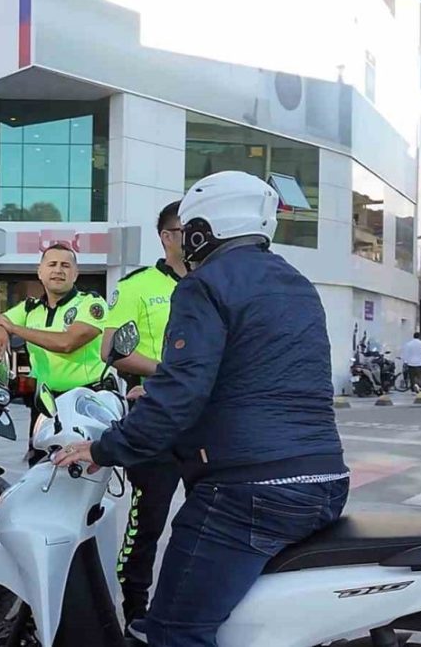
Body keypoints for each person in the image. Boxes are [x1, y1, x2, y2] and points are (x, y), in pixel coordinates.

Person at [55, 171, 348, 646]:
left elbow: (179, 396)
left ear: (200, 232)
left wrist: (105, 449)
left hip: (249, 493)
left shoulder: (203, 285)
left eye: (187, 229)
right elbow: (256, 375)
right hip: (325, 484)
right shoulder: (297, 284)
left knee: (171, 630)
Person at [100, 200, 187, 627]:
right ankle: (135, 609)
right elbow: (111, 350)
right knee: (148, 520)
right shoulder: (138, 286)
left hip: (211, 425)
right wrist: (172, 372)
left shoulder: (216, 283)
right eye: (185, 230)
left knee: (207, 521)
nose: (194, 238)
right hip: (156, 419)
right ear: (166, 236)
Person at [0, 243, 108, 467]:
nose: (58, 270)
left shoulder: (91, 303)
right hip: (45, 404)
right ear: (40, 272)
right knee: (39, 470)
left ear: (75, 274)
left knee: (80, 475)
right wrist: (0, 328)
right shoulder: (30, 308)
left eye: (65, 265)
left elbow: (67, 343)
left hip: (84, 402)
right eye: (52, 264)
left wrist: (13, 329)